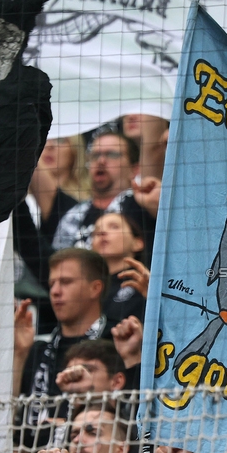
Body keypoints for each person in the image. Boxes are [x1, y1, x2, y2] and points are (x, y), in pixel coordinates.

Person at [21, 249, 109, 426]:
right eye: (52, 283)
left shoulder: (115, 341)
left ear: (95, 288)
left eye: (66, 282)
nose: (55, 291)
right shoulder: (38, 348)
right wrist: (18, 354)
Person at [52, 127, 142, 251]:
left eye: (112, 154)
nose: (101, 161)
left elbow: (153, 149)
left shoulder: (143, 206)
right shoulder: (73, 215)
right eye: (95, 155)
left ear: (135, 169)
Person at [90, 213, 147, 330]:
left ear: (137, 243)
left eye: (114, 227)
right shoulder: (86, 288)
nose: (102, 232)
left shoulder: (149, 283)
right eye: (96, 232)